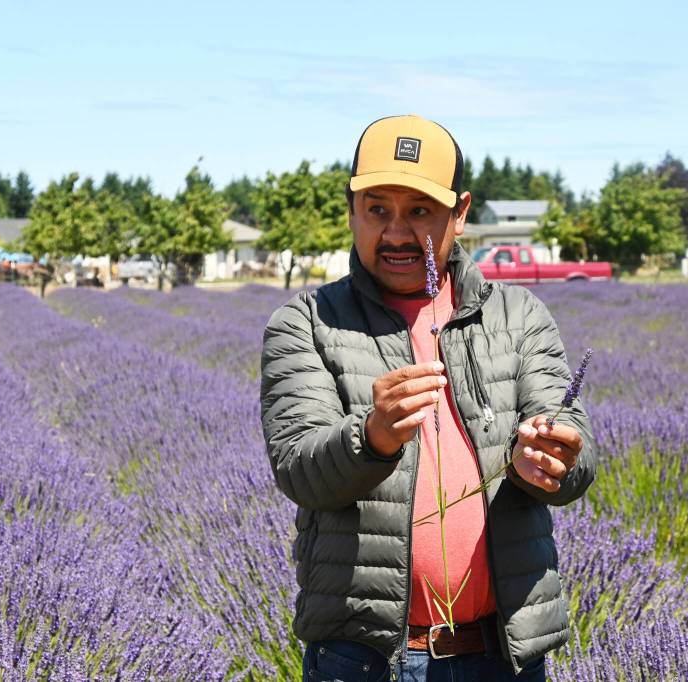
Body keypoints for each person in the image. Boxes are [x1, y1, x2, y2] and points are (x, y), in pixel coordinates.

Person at [260, 114, 598, 681]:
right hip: (366, 659)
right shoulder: (309, 322)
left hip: (502, 656)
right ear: (351, 210)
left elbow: (576, 453)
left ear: (459, 214)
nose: (395, 233)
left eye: (418, 211)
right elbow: (299, 468)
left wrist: (549, 461)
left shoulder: (518, 317)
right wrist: (373, 437)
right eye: (377, 209)